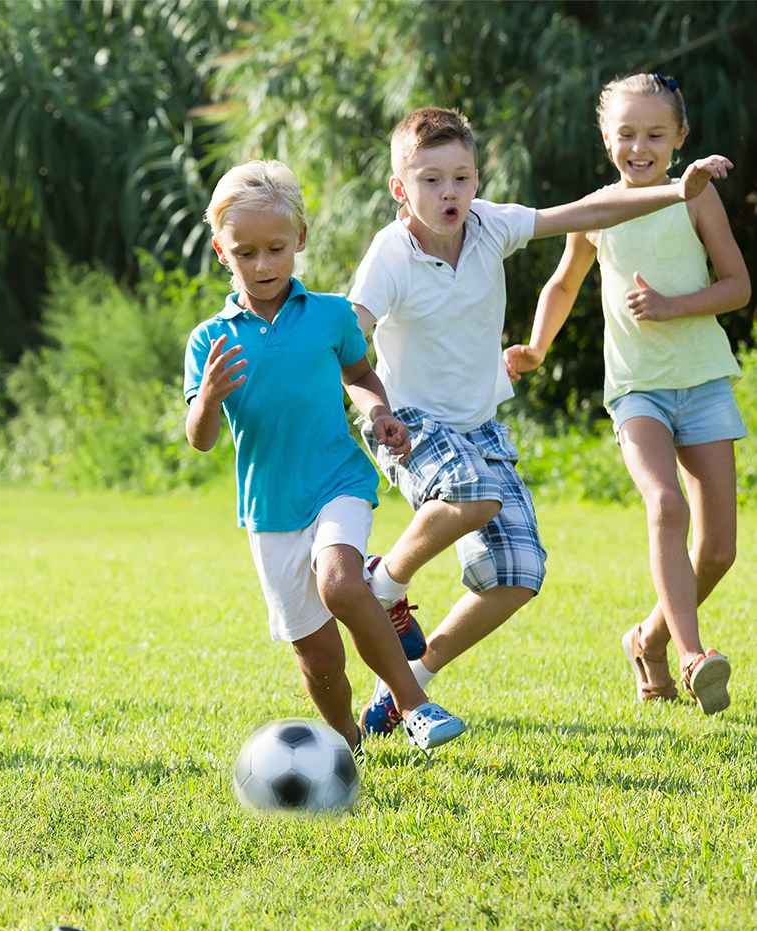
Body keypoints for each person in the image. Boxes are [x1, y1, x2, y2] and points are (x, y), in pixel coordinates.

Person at [347, 106, 733, 739]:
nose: (450, 193)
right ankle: (382, 582)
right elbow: (349, 349)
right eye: (432, 180)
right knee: (477, 491)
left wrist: (674, 190)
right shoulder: (390, 255)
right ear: (401, 188)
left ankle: (414, 681)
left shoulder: (490, 225)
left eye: (463, 178)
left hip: (477, 427)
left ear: (477, 179)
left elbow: (585, 214)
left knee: (520, 574)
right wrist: (376, 409)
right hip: (407, 423)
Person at [183, 159, 465, 752]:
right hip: (270, 511)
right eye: (246, 252)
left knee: (337, 583)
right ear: (220, 251)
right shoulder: (210, 339)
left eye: (276, 248)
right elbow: (201, 438)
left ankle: (415, 706)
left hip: (338, 481)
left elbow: (360, 372)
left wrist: (378, 411)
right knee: (321, 660)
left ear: (301, 240)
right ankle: (344, 744)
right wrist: (207, 398)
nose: (263, 265)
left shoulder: (333, 315)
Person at [507, 74, 748, 714]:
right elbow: (562, 286)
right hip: (637, 389)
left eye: (654, 135)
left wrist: (673, 306)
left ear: (680, 139)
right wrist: (535, 348)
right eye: (626, 134)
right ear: (607, 138)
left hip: (701, 380)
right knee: (666, 503)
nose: (639, 147)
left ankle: (648, 640)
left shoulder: (694, 200)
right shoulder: (595, 211)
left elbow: (737, 286)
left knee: (719, 548)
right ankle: (695, 656)